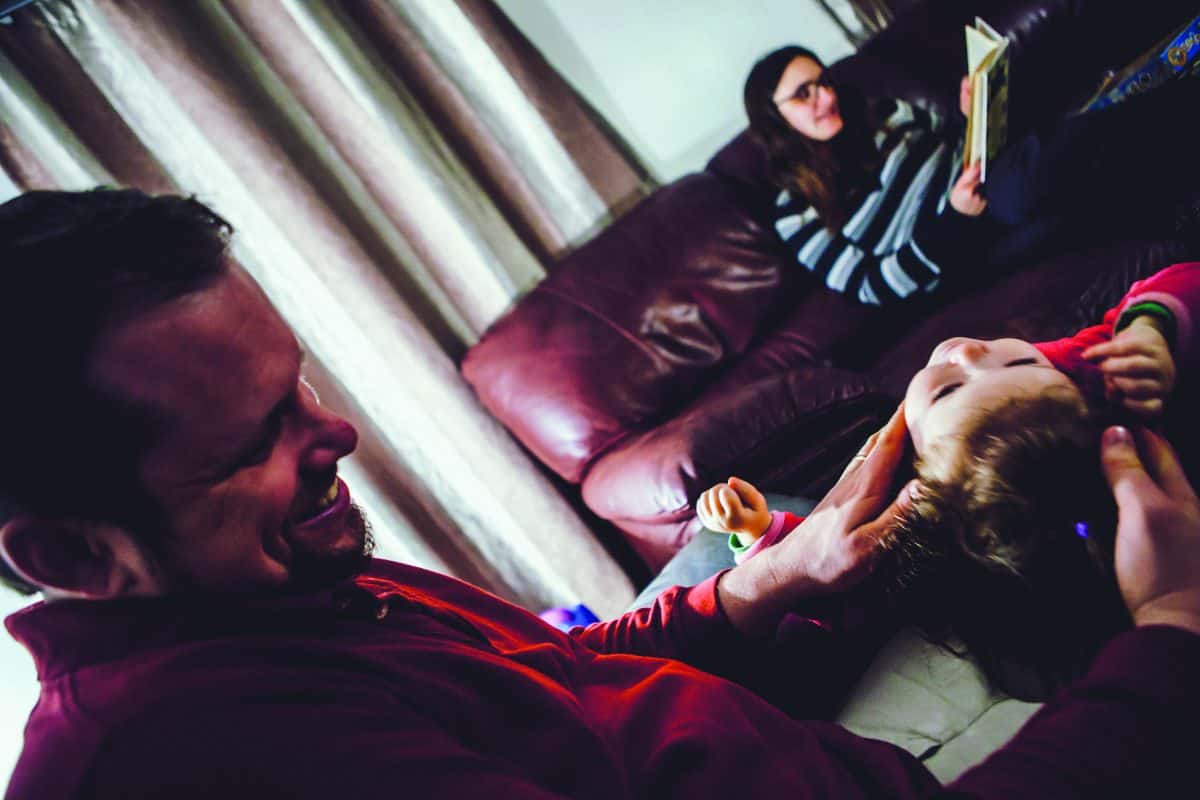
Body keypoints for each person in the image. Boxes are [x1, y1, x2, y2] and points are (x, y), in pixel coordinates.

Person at [4, 189, 1200, 800]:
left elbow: (558, 688)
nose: (338, 432)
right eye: (257, 436)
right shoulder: (207, 754)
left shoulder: (271, 578)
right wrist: (1173, 638)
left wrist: (760, 585)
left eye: (300, 383)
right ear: (70, 550)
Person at [699, 260, 1200, 693]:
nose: (972, 354)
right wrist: (1148, 330)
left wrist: (760, 536)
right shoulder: (1071, 378)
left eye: (946, 392)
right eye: (1023, 358)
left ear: (921, 472)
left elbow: (842, 597)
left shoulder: (913, 508)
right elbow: (1180, 281)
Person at [747, 44, 1200, 308]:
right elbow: (870, 286)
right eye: (803, 94)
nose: (825, 97)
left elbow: (961, 146)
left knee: (1074, 196)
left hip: (994, 185)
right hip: (958, 253)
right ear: (774, 117)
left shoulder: (881, 112)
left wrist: (972, 116)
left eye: (823, 82)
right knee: (1028, 180)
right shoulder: (796, 212)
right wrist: (953, 221)